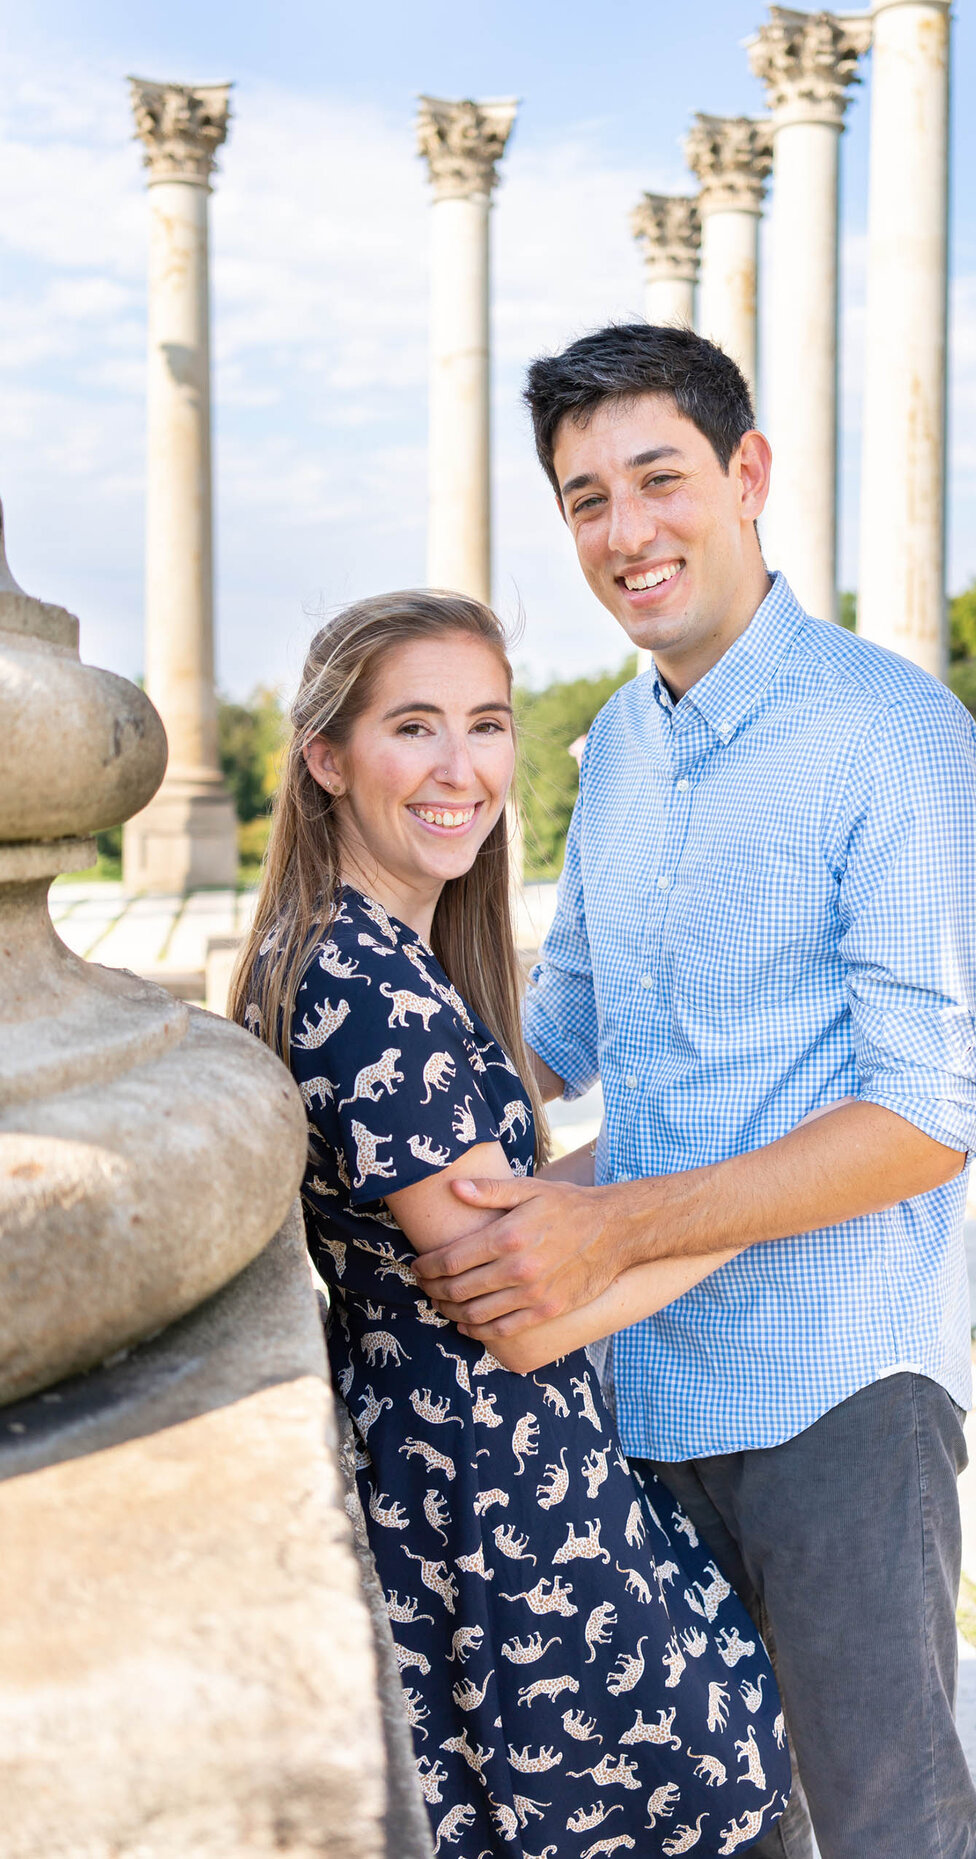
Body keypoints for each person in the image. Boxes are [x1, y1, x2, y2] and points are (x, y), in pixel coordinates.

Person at [401, 323, 976, 1859]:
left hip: (840, 1380)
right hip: (634, 1385)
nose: (624, 531)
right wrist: (360, 1071)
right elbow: (572, 1020)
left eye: (657, 477)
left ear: (747, 475)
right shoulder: (612, 746)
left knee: (884, 1818)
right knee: (714, 1812)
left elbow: (926, 1113)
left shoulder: (894, 734)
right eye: (584, 498)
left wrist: (606, 1222)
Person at [232, 588, 793, 1859]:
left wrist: (682, 1139)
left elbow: (513, 1197)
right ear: (327, 758)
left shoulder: (364, 949)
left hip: (471, 1457)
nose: (461, 769)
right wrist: (766, 1201)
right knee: (689, 1798)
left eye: (486, 726)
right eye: (414, 728)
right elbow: (527, 1311)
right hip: (492, 1487)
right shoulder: (360, 985)